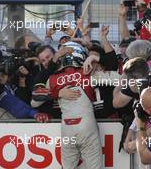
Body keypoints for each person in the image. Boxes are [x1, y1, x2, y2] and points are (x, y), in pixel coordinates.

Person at [32, 41, 103, 169]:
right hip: (81, 126)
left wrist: (94, 61)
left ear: (58, 55)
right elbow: (118, 76)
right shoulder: (87, 72)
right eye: (42, 60)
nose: (46, 61)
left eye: (48, 57)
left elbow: (34, 100)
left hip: (68, 127)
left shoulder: (53, 79)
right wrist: (58, 92)